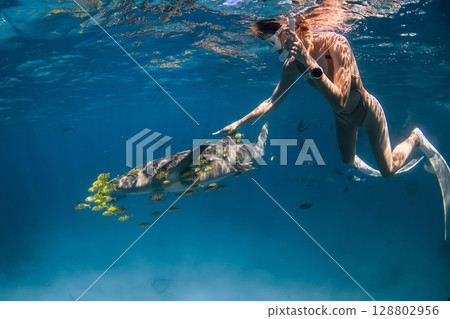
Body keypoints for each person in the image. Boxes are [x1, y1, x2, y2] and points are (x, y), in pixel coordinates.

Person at [213, 15, 449, 238]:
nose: (273, 49)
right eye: (267, 45)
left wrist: (309, 60)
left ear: (289, 31)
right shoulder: (292, 65)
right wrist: (240, 122)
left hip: (368, 112)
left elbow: (341, 100)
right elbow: (273, 101)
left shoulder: (337, 43)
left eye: (272, 42)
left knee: (387, 171)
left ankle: (415, 138)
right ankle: (372, 159)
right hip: (343, 118)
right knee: (347, 161)